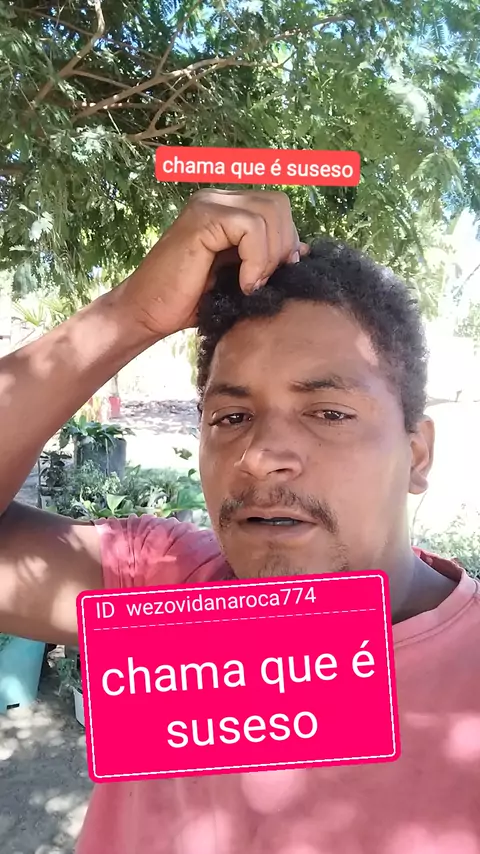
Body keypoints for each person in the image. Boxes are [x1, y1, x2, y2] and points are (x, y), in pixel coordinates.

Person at [0, 189, 479, 854]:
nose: (258, 455)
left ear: (417, 454)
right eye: (231, 417)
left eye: (328, 412)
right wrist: (130, 314)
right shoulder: (162, 582)